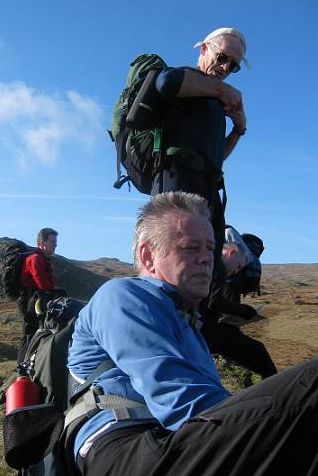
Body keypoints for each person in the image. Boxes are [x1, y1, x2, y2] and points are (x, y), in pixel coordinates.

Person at [67, 192, 318, 476]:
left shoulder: (187, 319)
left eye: (210, 248)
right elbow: (184, 404)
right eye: (190, 248)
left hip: (168, 438)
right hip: (120, 446)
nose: (206, 259)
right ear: (148, 256)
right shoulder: (123, 296)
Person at [152, 27, 248, 258]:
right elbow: (165, 82)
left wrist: (238, 129)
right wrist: (223, 91)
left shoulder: (215, 103)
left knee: (207, 268)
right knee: (176, 262)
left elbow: (218, 156)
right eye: (222, 58)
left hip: (208, 193)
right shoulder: (186, 77)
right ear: (204, 49)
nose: (225, 68)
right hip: (178, 187)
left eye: (233, 65)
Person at [201, 242, 277, 378]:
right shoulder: (219, 267)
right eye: (238, 266)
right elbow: (214, 302)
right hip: (207, 331)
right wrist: (244, 311)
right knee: (258, 351)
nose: (236, 271)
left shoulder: (210, 265)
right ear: (232, 253)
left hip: (203, 328)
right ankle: (277, 389)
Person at [17, 227, 60, 363]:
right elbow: (42, 283)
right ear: (42, 243)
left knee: (35, 331)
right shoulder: (35, 259)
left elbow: (47, 284)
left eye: (55, 241)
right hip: (29, 300)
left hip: (35, 299)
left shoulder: (43, 259)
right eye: (52, 241)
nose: (55, 244)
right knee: (29, 333)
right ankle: (23, 368)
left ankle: (29, 364)